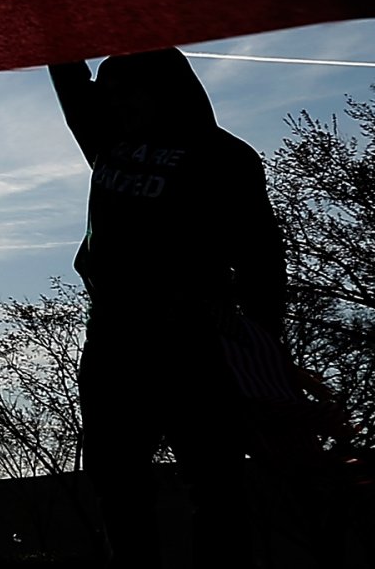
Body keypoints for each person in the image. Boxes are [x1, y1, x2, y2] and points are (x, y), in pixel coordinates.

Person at [50, 49, 286, 569]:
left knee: (215, 481)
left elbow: (260, 254)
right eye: (110, 96)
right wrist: (45, 13)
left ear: (163, 91)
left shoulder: (224, 158)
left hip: (194, 341)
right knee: (115, 479)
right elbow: (71, 82)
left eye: (129, 94)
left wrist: (265, 341)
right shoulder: (111, 139)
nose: (117, 104)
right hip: (112, 339)